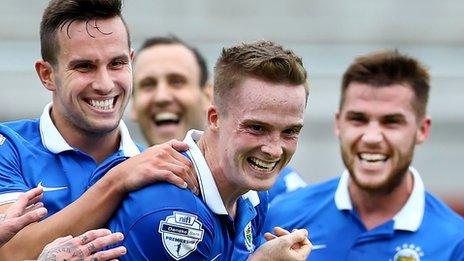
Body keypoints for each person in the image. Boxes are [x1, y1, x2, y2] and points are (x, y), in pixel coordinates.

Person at [0, 1, 196, 259]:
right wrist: (117, 181)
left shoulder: (153, 167)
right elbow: (11, 250)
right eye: (84, 66)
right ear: (47, 74)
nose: (104, 84)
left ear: (131, 62)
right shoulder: (10, 146)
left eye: (117, 63)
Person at [108, 40, 312, 260]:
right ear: (215, 119)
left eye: (290, 131)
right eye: (256, 128)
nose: (274, 150)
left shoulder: (252, 195)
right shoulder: (173, 213)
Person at [262, 50, 464, 260]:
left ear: (422, 129)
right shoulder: (283, 215)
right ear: (338, 123)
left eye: (391, 121)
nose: (371, 137)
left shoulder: (456, 243)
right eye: (358, 119)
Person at [131, 35, 307, 202]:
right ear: (132, 104)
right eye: (148, 85)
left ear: (208, 96)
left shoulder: (266, 185)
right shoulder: (123, 174)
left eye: (177, 82)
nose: (162, 97)